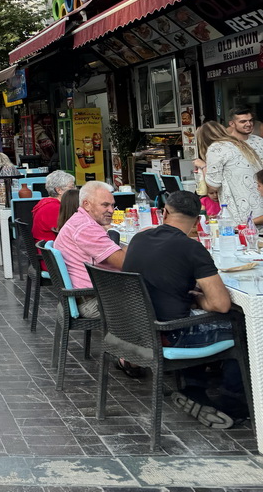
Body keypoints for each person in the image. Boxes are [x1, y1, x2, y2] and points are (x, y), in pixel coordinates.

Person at [122, 190, 248, 428]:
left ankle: (195, 390)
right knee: (244, 326)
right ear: (198, 220)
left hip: (134, 327)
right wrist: (199, 300)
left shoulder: (139, 238)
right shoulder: (192, 248)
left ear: (164, 212)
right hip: (170, 334)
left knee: (195, 316)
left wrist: (192, 299)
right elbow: (220, 304)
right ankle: (234, 403)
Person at [53, 180, 125, 318]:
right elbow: (123, 262)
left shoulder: (80, 221)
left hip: (87, 295)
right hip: (91, 301)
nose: (111, 210)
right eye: (105, 205)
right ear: (86, 204)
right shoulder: (86, 228)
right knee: (156, 299)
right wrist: (141, 240)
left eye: (112, 205)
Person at [205, 108, 263, 225]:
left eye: (250, 120)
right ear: (231, 123)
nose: (248, 124)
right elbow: (214, 185)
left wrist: (203, 169)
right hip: (240, 216)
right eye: (243, 121)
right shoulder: (219, 147)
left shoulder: (260, 142)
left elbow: (213, 184)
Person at [31, 170, 77, 244]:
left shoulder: (46, 203)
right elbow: (69, 232)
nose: (75, 189)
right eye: (72, 187)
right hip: (51, 250)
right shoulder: (53, 208)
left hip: (48, 247)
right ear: (59, 190)